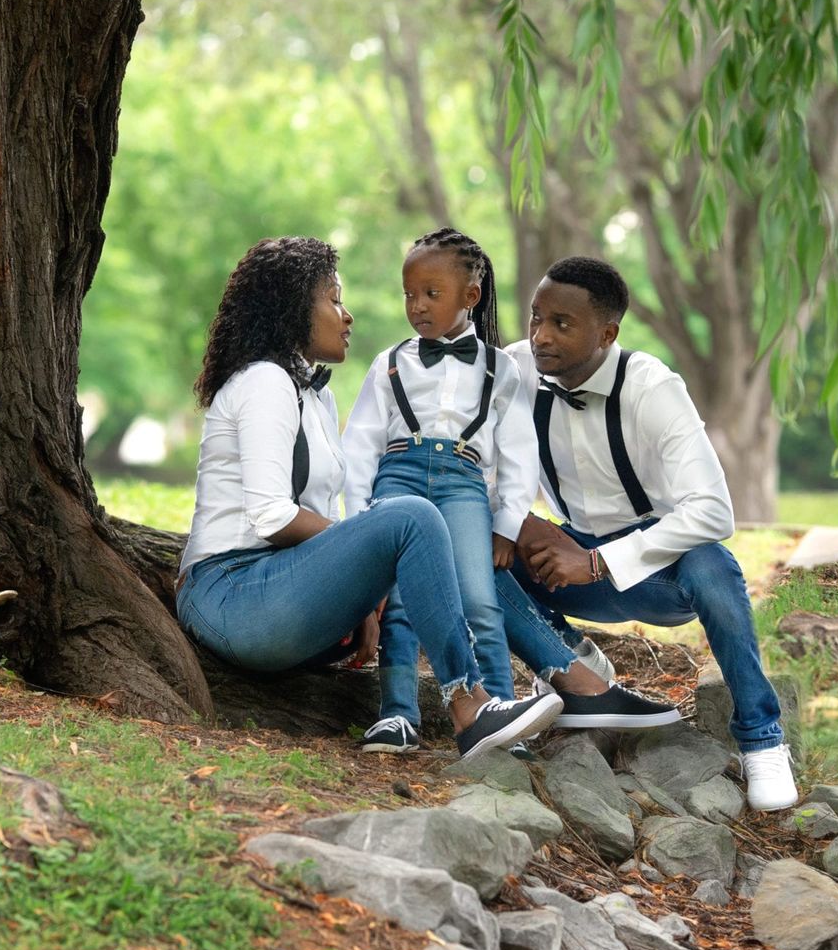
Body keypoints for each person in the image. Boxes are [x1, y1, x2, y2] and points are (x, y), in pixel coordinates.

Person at [177, 236, 564, 760]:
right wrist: (366, 560)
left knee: (464, 574)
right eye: (334, 299)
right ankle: (469, 705)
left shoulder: (317, 394)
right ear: (294, 308)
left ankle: (492, 696)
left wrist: (357, 593)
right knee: (410, 514)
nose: (348, 314)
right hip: (234, 593)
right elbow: (272, 515)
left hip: (282, 590)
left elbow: (324, 523)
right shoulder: (265, 382)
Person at [343, 228, 682, 752]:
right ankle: (397, 713)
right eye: (410, 294)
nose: (417, 306)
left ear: (471, 297)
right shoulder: (390, 364)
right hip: (400, 474)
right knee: (402, 599)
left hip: (464, 485)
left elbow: (519, 455)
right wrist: (360, 514)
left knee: (481, 598)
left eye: (432, 294)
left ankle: (502, 714)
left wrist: (505, 525)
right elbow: (361, 444)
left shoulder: (502, 369)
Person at [503, 255, 800, 811]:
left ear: (607, 333)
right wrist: (523, 523)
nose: (541, 335)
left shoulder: (653, 387)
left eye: (561, 324)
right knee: (479, 548)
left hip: (658, 570)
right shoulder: (514, 370)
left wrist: (597, 562)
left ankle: (763, 738)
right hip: (565, 552)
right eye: (535, 317)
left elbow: (714, 510)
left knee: (712, 565)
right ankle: (574, 666)